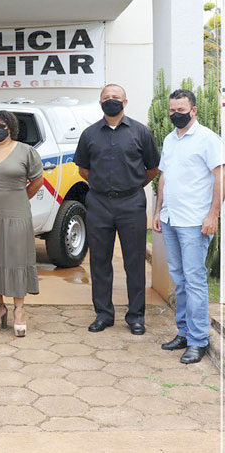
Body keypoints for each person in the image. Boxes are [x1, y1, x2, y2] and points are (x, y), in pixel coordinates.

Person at [74, 83, 160, 335]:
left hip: (131, 203)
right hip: (99, 204)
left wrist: (132, 186)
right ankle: (103, 314)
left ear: (125, 102)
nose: (111, 100)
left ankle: (136, 316)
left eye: (116, 97)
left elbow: (153, 168)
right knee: (99, 261)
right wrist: (102, 187)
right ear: (100, 102)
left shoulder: (141, 132)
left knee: (134, 262)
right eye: (106, 97)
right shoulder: (89, 134)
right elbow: (83, 169)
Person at [153, 89, 223, 364]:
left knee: (194, 281)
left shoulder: (208, 139)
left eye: (181, 111)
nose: (175, 115)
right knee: (180, 280)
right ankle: (183, 332)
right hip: (171, 219)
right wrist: (158, 211)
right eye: (172, 111)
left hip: (195, 222)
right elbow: (164, 177)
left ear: (194, 110)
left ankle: (198, 340)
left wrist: (213, 215)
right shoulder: (170, 139)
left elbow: (220, 176)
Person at [0, 111, 44, 337]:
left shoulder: (26, 151)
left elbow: (38, 180)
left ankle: (19, 310)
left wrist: (20, 197)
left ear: (11, 127)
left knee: (16, 258)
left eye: (2, 125)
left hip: (17, 213)